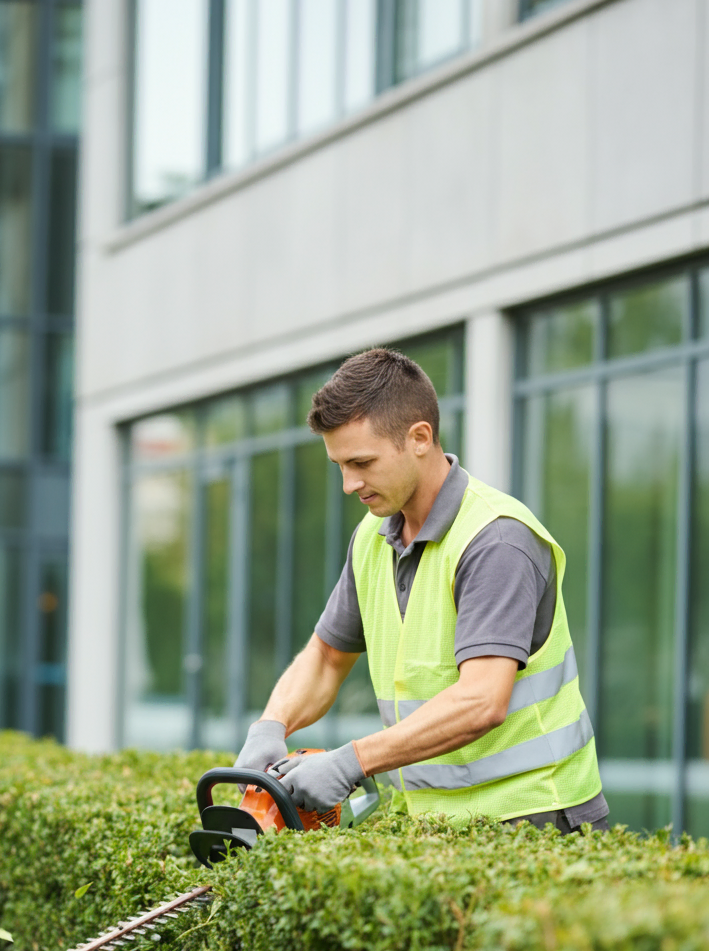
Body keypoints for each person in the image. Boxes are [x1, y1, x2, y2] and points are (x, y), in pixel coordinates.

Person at [234, 348, 608, 834]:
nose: (349, 484)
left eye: (362, 462)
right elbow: (327, 657)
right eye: (339, 465)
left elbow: (482, 700)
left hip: (537, 818)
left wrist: (352, 762)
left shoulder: (496, 541)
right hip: (439, 823)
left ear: (419, 438)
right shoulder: (373, 537)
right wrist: (271, 725)